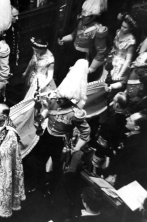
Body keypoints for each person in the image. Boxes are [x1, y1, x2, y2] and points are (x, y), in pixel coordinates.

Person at [27, 59, 91, 195]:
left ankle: (52, 190)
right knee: (38, 162)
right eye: (59, 98)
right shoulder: (55, 98)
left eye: (63, 99)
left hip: (61, 142)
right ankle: (38, 186)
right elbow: (47, 111)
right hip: (47, 135)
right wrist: (40, 114)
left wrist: (76, 148)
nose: (59, 100)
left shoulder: (76, 113)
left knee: (57, 168)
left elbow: (86, 132)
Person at [58, 0, 108, 80]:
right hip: (73, 53)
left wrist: (91, 68)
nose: (84, 17)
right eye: (83, 15)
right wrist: (64, 39)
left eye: (87, 16)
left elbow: (101, 52)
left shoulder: (98, 30)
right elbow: (74, 35)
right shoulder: (81, 21)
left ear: (93, 16)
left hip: (85, 58)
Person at [104, 109, 147, 189]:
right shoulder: (132, 135)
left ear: (137, 127)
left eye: (130, 120)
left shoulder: (135, 144)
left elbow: (123, 162)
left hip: (120, 178)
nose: (127, 119)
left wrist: (112, 174)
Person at [91, 92, 128, 174]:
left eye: (114, 101)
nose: (112, 103)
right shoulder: (127, 120)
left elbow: (102, 143)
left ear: (117, 105)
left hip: (105, 155)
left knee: (96, 173)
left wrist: (98, 155)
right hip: (116, 154)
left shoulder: (110, 122)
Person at [108, 14, 137, 82]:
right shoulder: (118, 32)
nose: (122, 28)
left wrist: (120, 74)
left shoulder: (131, 40)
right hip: (112, 59)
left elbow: (128, 60)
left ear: (130, 28)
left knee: (113, 82)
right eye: (122, 26)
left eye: (125, 27)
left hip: (121, 64)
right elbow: (114, 47)